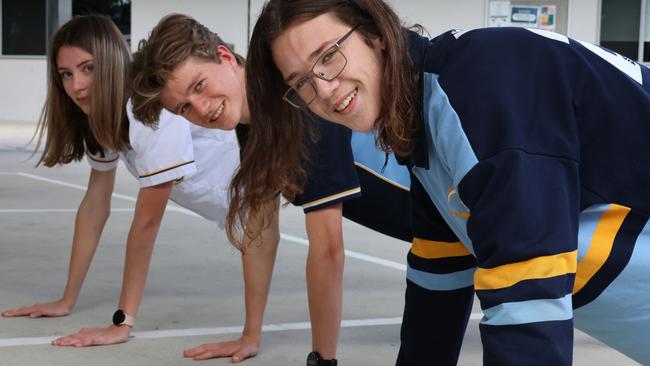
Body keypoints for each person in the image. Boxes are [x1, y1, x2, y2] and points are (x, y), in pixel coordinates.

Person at [240, 0, 650, 365]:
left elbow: (527, 309)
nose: (324, 90)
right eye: (301, 84)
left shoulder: (481, 89)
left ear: (374, 34)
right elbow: (436, 292)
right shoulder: (427, 126)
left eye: (329, 56)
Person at [128, 14, 416, 364]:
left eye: (199, 85)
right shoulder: (253, 119)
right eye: (184, 107)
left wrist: (323, 361)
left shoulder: (298, 101)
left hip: (457, 213)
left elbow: (328, 250)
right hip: (437, 229)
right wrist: (250, 335)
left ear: (225, 56)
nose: (201, 109)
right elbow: (260, 229)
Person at [0, 15, 277, 361]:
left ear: (113, 62)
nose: (77, 86)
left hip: (270, 178)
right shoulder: (103, 119)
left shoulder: (146, 112)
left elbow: (146, 225)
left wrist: (121, 323)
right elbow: (94, 205)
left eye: (88, 68)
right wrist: (66, 299)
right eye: (66, 75)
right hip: (250, 205)